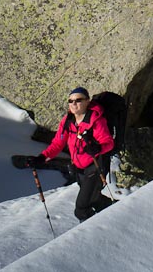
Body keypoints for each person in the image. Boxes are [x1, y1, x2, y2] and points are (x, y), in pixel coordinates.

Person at [33, 87, 115, 222]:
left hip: (95, 166)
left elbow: (109, 143)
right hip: (78, 168)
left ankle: (88, 234)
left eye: (78, 100)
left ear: (87, 101)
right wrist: (41, 158)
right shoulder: (67, 121)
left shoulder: (96, 120)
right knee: (94, 199)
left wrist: (98, 148)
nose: (74, 104)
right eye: (70, 101)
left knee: (81, 209)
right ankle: (116, 212)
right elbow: (57, 145)